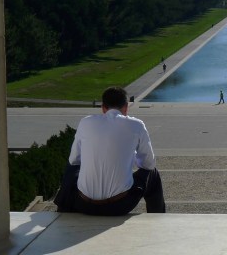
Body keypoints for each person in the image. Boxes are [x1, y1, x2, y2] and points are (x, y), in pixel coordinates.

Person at [58, 86, 166, 215]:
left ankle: (62, 210)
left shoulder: (85, 122)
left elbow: (74, 159)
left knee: (71, 168)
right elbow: (149, 164)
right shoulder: (136, 125)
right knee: (153, 174)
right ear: (126, 107)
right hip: (119, 206)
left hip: (84, 204)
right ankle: (157, 217)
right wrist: (131, 154)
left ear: (103, 108)